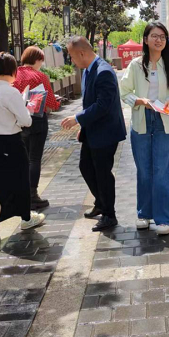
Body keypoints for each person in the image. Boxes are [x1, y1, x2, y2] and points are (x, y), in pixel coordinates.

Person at [120, 22, 169, 236]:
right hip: (141, 119)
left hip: (163, 119)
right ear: (146, 39)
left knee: (162, 170)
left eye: (162, 37)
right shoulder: (136, 65)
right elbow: (124, 91)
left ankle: (164, 218)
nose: (159, 40)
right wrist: (140, 101)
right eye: (154, 36)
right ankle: (144, 213)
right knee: (144, 169)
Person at [61, 36, 127, 231]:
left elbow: (102, 105)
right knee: (86, 167)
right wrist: (84, 126)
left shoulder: (103, 71)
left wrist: (77, 118)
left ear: (82, 53)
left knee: (102, 173)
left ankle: (109, 215)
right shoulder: (89, 70)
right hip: (93, 131)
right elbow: (89, 102)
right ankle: (100, 202)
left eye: (72, 56)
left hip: (106, 133)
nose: (72, 60)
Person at [0, 53, 46, 246]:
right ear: (12, 71)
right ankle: (26, 218)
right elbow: (26, 121)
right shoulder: (11, 92)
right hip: (10, 144)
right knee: (19, 182)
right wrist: (26, 108)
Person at [13, 46, 60, 210]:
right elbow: (51, 102)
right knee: (34, 158)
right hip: (37, 121)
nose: (42, 64)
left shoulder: (14, 75)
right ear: (37, 60)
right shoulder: (40, 76)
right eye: (41, 60)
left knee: (23, 159)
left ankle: (23, 194)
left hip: (19, 122)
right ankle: (33, 195)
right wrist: (57, 102)